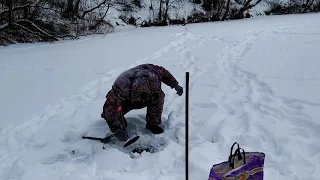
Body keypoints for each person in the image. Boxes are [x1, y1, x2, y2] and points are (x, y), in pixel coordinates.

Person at [101, 64, 183, 141]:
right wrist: (117, 130)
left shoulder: (155, 72)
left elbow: (165, 73)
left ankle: (152, 123)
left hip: (146, 95)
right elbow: (109, 107)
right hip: (127, 101)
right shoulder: (122, 86)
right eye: (139, 94)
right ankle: (119, 124)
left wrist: (175, 84)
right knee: (113, 113)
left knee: (158, 96)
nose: (141, 98)